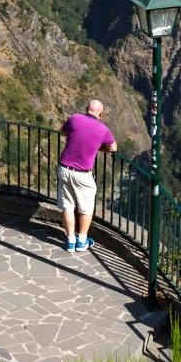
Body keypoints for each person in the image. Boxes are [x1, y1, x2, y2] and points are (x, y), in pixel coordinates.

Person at [57, 99, 117, 253]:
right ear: (101, 114)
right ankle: (82, 241)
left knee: (67, 206)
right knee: (86, 208)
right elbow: (113, 147)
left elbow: (63, 131)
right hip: (83, 174)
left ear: (86, 109)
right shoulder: (103, 129)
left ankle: (70, 240)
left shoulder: (74, 119)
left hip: (64, 168)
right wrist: (98, 148)